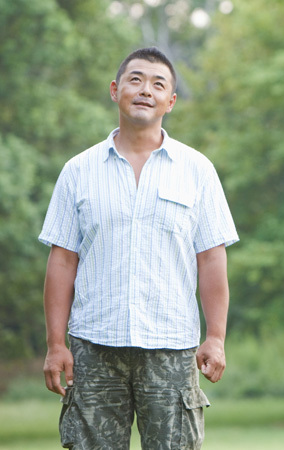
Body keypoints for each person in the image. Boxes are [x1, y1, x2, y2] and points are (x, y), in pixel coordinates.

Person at [39, 47, 239, 449]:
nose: (145, 90)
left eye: (158, 84)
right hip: (93, 348)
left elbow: (211, 258)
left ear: (171, 101)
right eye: (135, 80)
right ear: (115, 91)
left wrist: (215, 336)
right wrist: (55, 344)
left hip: (171, 346)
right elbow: (62, 261)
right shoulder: (78, 170)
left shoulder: (197, 169)